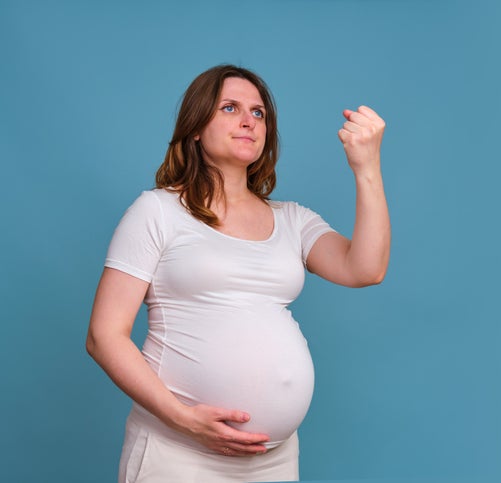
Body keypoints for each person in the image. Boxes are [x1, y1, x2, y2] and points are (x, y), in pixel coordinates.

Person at [86, 64, 390, 483]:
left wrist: (367, 168)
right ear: (194, 127)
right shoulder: (156, 211)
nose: (249, 120)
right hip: (178, 451)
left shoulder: (293, 220)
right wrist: (184, 419)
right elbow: (104, 336)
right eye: (230, 108)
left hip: (274, 460)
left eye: (259, 113)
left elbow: (366, 269)